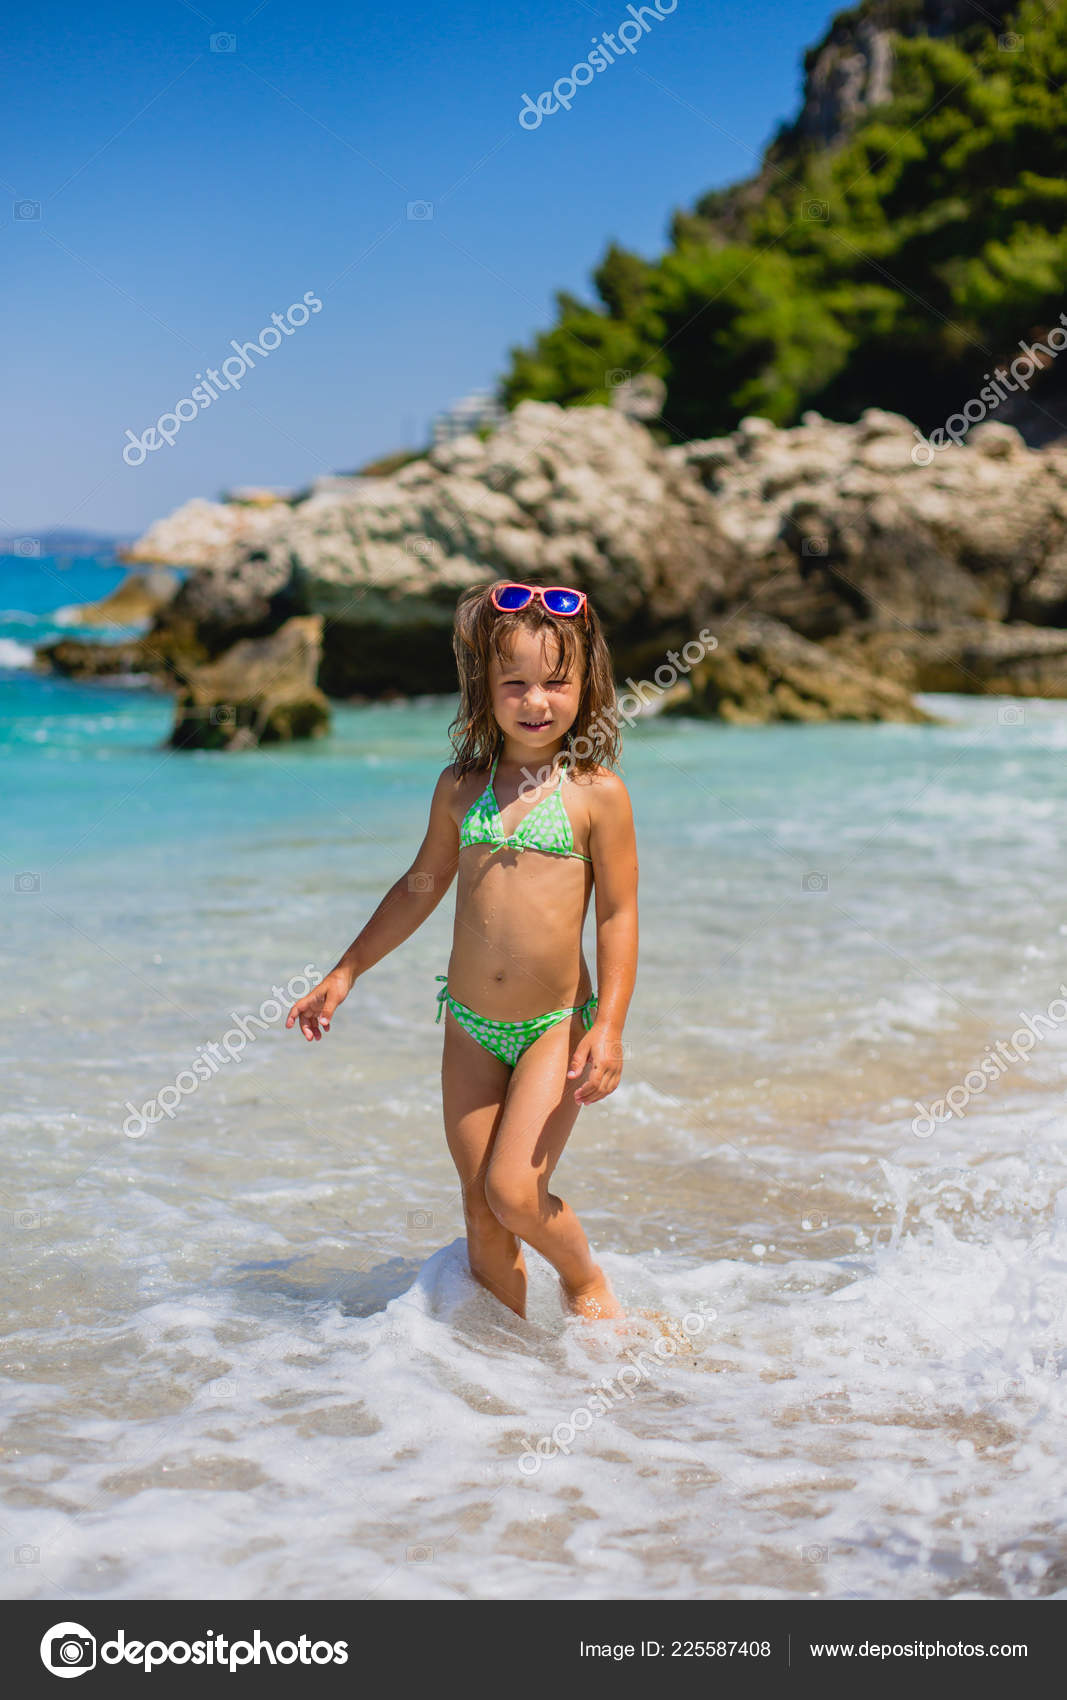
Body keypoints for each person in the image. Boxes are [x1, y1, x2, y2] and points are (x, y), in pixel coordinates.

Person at [287, 581, 639, 1321]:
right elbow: (418, 888)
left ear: (587, 686)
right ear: (484, 688)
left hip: (553, 1025)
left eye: (555, 683)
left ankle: (584, 1283)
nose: (535, 701)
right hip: (470, 1024)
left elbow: (616, 913)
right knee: (481, 1213)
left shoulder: (595, 793)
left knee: (514, 1193)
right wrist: (345, 971)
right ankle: (505, 1376)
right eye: (514, 683)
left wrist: (607, 1027)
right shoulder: (460, 788)